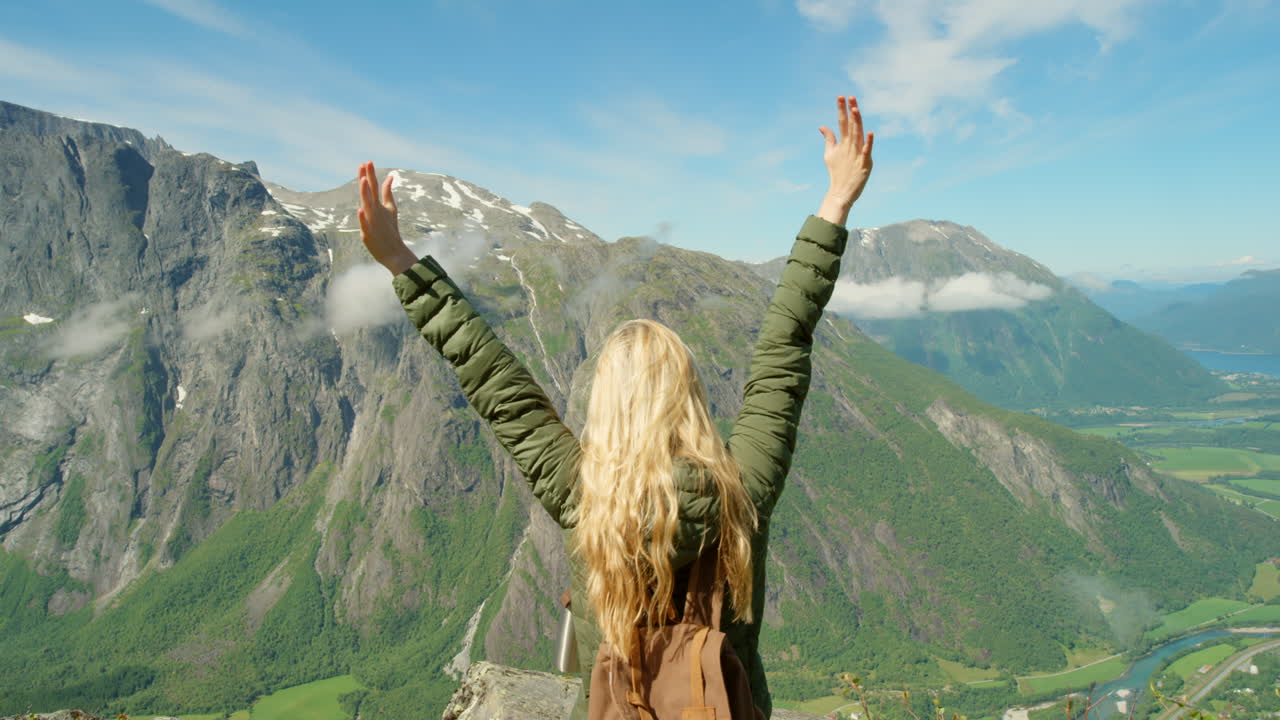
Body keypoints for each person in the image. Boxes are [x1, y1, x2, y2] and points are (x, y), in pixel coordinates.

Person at [357, 95, 874, 719]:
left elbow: (495, 382)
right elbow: (783, 349)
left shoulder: (583, 495)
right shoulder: (743, 488)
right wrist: (835, 202)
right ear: (688, 394)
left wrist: (400, 261)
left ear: (606, 404)